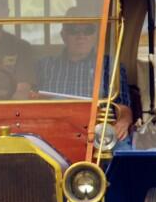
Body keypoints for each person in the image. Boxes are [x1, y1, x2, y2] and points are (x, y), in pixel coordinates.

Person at [38, 16, 134, 149]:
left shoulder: (110, 65)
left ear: (95, 35)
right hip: (54, 129)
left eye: (88, 30)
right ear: (63, 35)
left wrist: (123, 122)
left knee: (123, 154)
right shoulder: (45, 65)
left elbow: (123, 107)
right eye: (73, 30)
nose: (81, 36)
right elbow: (31, 99)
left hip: (98, 132)